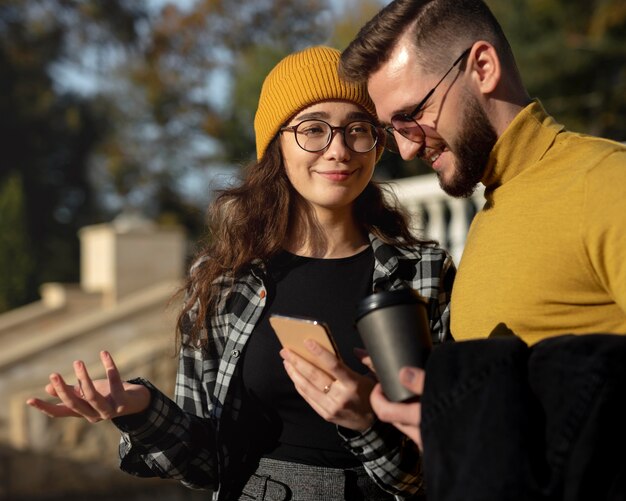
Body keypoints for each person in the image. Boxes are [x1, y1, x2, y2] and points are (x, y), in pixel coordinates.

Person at [26, 45, 456, 500]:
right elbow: (210, 464)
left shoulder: (423, 274)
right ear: (277, 145)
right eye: (313, 129)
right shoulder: (226, 279)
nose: (339, 150)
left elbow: (441, 465)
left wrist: (365, 422)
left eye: (358, 129)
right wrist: (142, 408)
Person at [338, 1, 626, 499]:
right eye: (392, 129)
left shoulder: (606, 184)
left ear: (483, 68)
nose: (405, 148)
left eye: (411, 115)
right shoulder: (491, 214)